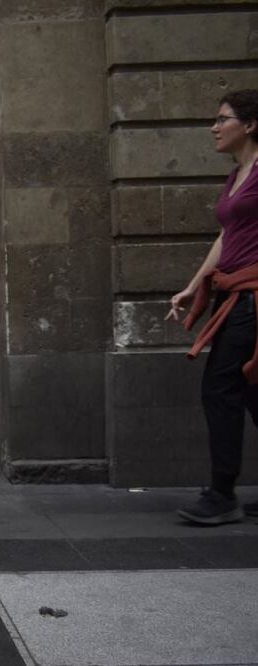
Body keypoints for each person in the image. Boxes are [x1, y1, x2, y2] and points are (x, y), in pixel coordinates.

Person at [170, 89, 258, 525]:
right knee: (253, 391)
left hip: (252, 298)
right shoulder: (237, 175)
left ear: (251, 124)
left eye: (223, 119)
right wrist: (192, 286)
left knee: (220, 387)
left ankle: (222, 494)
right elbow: (227, 238)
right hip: (233, 295)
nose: (214, 127)